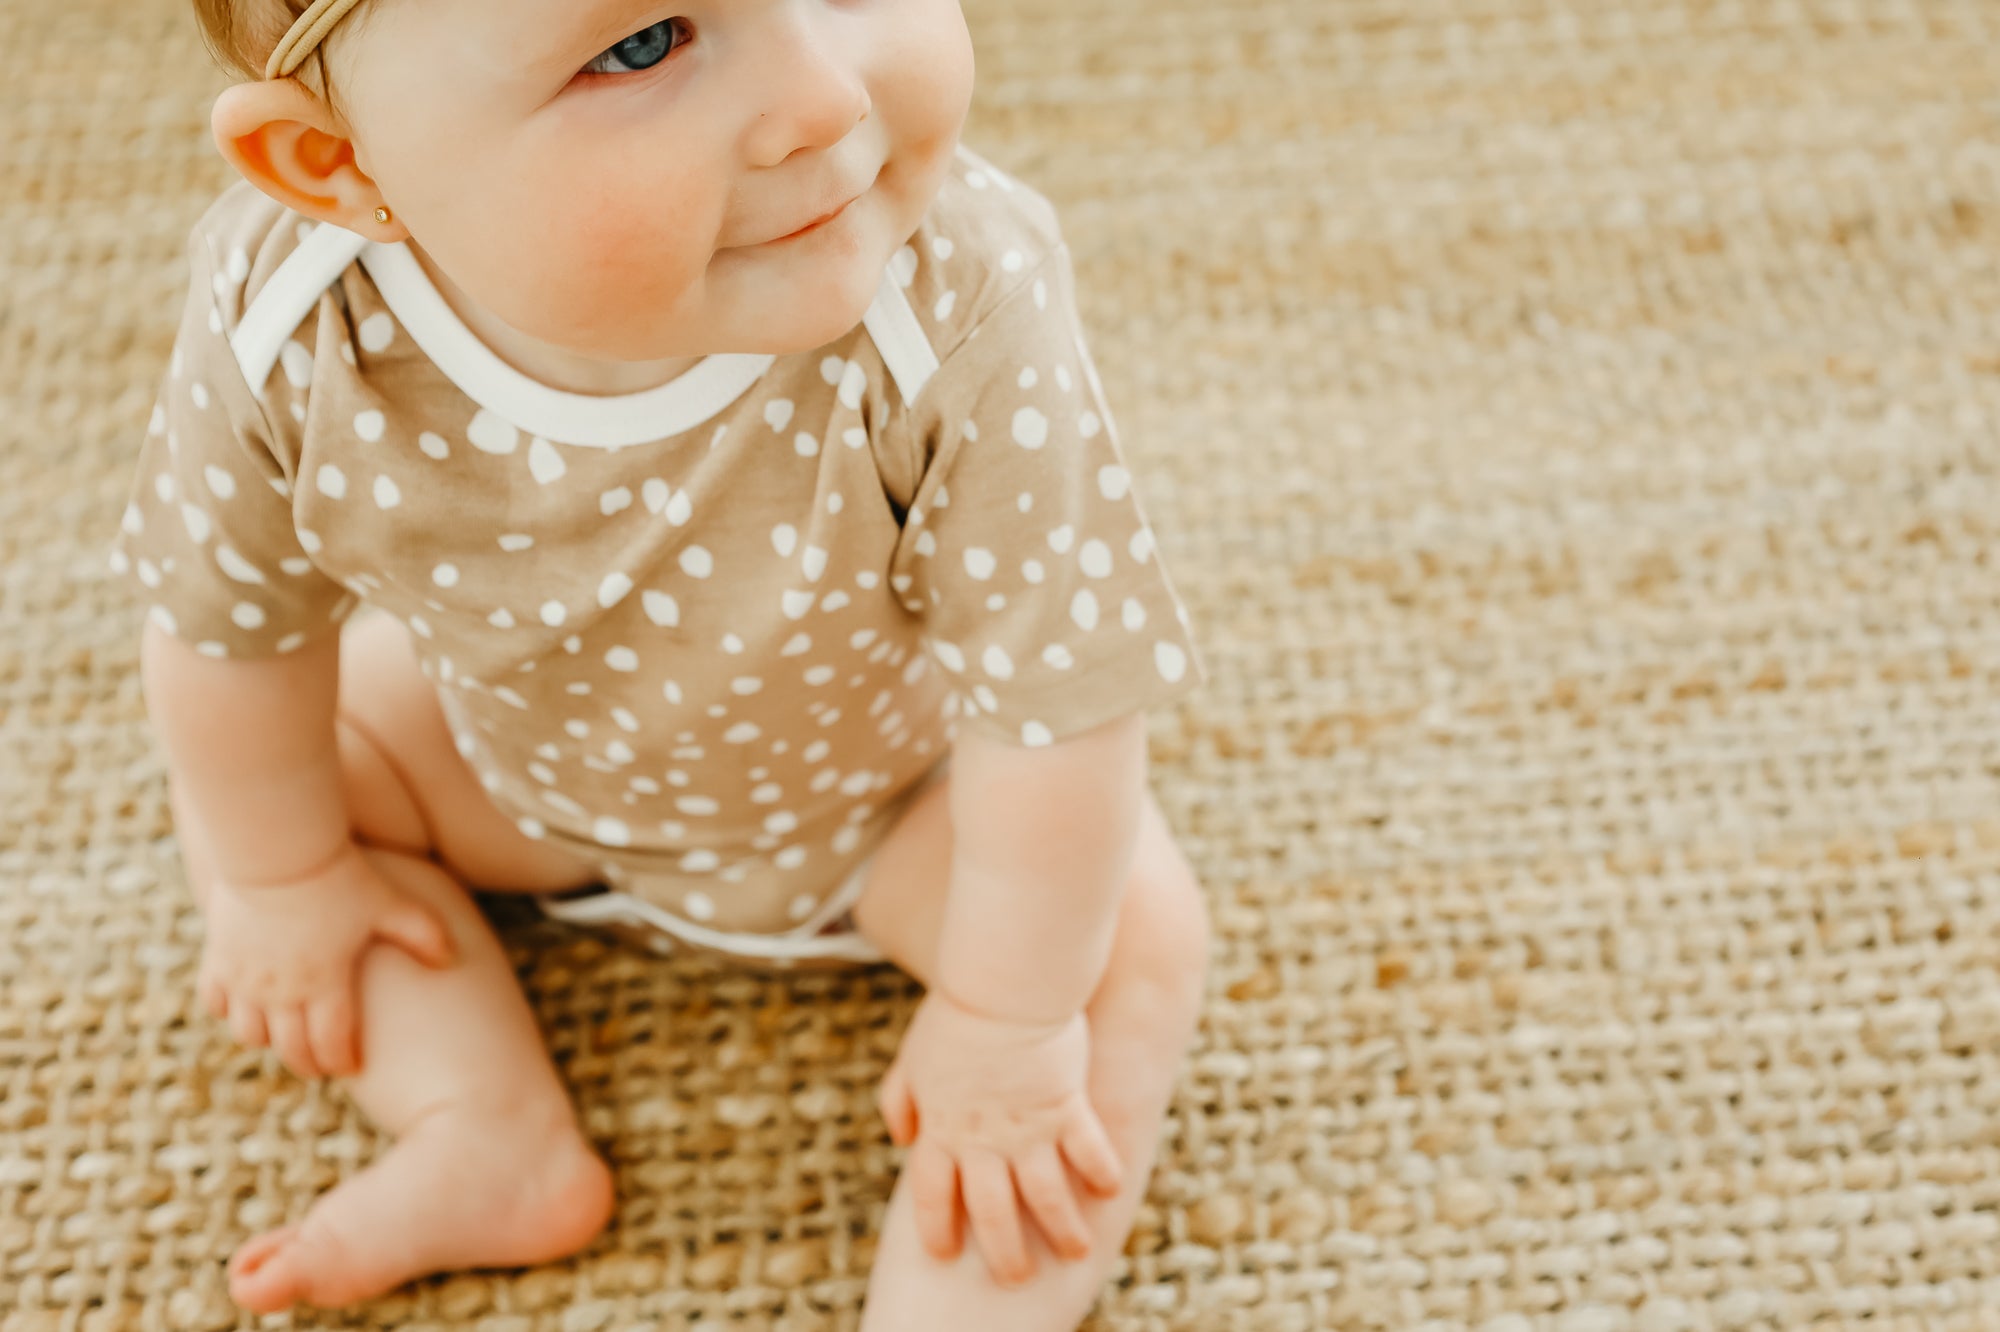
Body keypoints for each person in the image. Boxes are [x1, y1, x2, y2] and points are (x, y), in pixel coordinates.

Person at [113, 0, 1212, 1323]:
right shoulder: (293, 319)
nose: (826, 98)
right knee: (258, 800)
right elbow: (229, 626)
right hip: (509, 774)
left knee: (1120, 942)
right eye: (644, 44)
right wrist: (287, 883)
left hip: (896, 816)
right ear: (341, 166)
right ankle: (480, 1124)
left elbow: (1058, 698)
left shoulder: (958, 291)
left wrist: (1009, 1021)